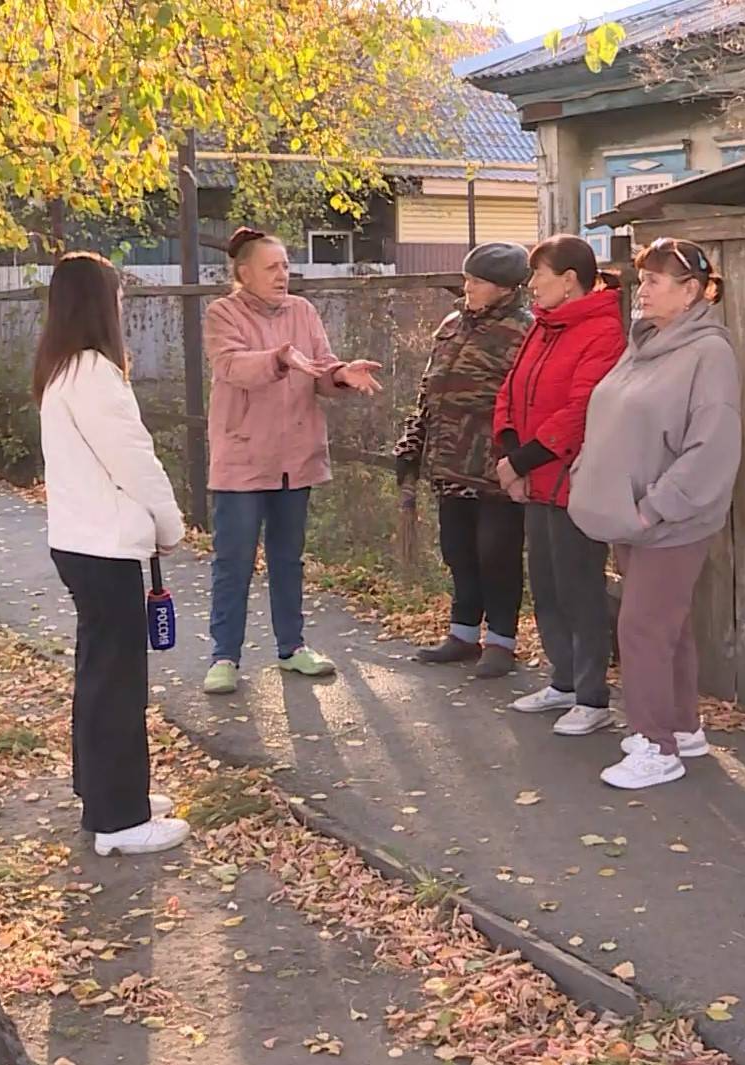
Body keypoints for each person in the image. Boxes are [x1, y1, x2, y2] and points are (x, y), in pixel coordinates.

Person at [569, 238, 739, 790]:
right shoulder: (645, 343)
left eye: (655, 281)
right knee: (671, 626)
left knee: (641, 627)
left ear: (692, 292)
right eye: (642, 279)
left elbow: (711, 447)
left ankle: (654, 746)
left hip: (670, 521)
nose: (641, 290)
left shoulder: (709, 353)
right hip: (630, 516)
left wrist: (652, 509)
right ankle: (683, 729)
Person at [36, 251, 191, 855]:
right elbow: (136, 462)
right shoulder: (95, 374)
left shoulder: (60, 371)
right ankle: (119, 819)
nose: (123, 306)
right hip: (103, 550)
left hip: (81, 544)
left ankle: (105, 795)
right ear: (99, 304)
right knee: (117, 681)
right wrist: (170, 523)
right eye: (117, 296)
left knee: (100, 675)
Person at [200, 227, 384, 696]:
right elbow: (231, 366)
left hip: (294, 458)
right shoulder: (223, 313)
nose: (283, 275)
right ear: (243, 273)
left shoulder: (304, 311)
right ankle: (224, 656)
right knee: (233, 561)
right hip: (242, 458)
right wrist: (279, 358)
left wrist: (342, 373)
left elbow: (321, 368)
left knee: (288, 559)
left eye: (285, 266)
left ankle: (292, 648)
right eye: (272, 267)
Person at [491, 234, 626, 737]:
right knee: (546, 586)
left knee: (580, 589)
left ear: (569, 279)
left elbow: (581, 411)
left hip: (573, 484)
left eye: (538, 276)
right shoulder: (543, 329)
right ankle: (564, 680)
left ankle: (593, 696)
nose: (531, 286)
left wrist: (521, 462)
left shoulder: (602, 331)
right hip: (534, 481)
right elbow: (510, 390)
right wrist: (510, 455)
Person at [394, 242, 535, 679]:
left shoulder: (524, 331)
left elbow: (527, 401)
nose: (467, 287)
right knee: (458, 550)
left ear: (504, 287)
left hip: (495, 467)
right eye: (467, 278)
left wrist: (515, 458)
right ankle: (463, 632)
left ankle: (501, 641)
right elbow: (429, 390)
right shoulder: (453, 324)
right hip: (448, 459)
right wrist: (413, 442)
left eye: (476, 281)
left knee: (497, 552)